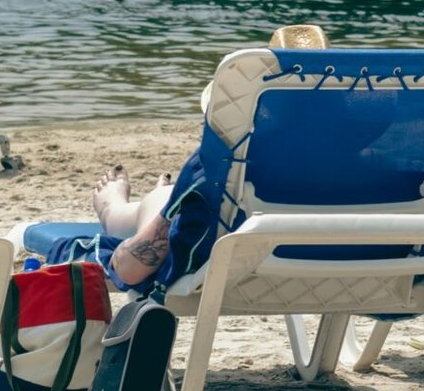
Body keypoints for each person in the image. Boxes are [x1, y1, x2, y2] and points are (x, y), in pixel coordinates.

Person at [95, 22, 326, 289]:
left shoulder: (223, 161)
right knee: (170, 200)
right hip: (362, 268)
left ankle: (115, 209)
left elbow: (132, 269)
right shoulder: (373, 160)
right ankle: (167, 201)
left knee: (163, 201)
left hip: (241, 272)